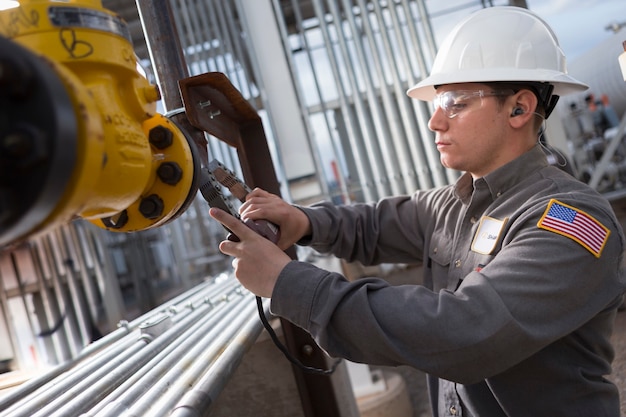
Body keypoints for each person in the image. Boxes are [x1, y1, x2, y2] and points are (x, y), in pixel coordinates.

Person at [210, 6, 626, 417]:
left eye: (455, 103)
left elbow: (464, 333)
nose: (434, 122)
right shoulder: (455, 205)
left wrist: (287, 283)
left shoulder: (570, 219)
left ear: (519, 108)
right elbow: (372, 224)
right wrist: (302, 221)